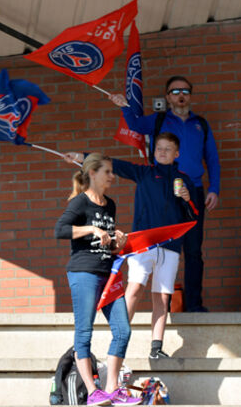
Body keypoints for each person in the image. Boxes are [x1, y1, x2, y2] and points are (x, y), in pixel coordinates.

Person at [66, 132, 198, 360]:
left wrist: (187, 199)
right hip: (143, 243)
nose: (162, 152)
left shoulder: (184, 179)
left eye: (168, 149)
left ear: (177, 153)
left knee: (163, 297)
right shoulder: (145, 172)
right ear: (153, 151)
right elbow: (114, 165)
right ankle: (119, 340)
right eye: (159, 148)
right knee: (134, 289)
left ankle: (156, 347)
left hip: (170, 245)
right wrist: (80, 157)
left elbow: (193, 217)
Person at [109, 76, 220, 312]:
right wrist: (124, 106)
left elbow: (212, 158)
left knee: (193, 249)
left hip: (193, 192)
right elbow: (136, 125)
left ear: (190, 95)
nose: (181, 95)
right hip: (162, 189)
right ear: (168, 97)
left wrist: (214, 189)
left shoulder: (201, 124)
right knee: (163, 247)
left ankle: (194, 304)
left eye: (186, 91)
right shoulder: (159, 120)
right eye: (175, 91)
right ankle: (159, 301)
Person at [54, 153, 141, 406]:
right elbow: (59, 230)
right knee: (84, 331)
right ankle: (93, 392)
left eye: (113, 172)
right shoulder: (80, 203)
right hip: (83, 272)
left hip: (107, 272)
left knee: (123, 330)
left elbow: (107, 245)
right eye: (108, 172)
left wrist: (118, 243)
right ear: (92, 173)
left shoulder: (109, 204)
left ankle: (112, 389)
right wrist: (92, 229)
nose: (112, 176)